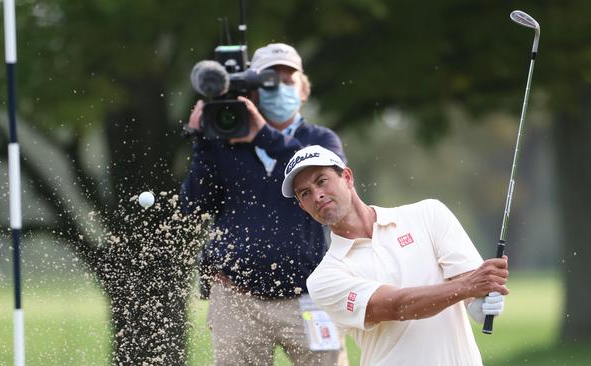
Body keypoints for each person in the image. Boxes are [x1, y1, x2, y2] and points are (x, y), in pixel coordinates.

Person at [181, 43, 346, 365]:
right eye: (270, 81)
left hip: (309, 296)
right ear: (252, 90)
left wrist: (262, 135)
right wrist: (201, 142)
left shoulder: (321, 140)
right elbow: (194, 205)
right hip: (236, 297)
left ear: (303, 90)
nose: (279, 88)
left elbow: (322, 176)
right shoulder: (222, 143)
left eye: (289, 80)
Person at [281, 145, 509, 366]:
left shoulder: (429, 214)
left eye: (322, 181)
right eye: (305, 193)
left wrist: (480, 301)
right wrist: (468, 287)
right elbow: (396, 307)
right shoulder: (323, 279)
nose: (317, 195)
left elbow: (471, 283)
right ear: (303, 206)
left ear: (348, 178)